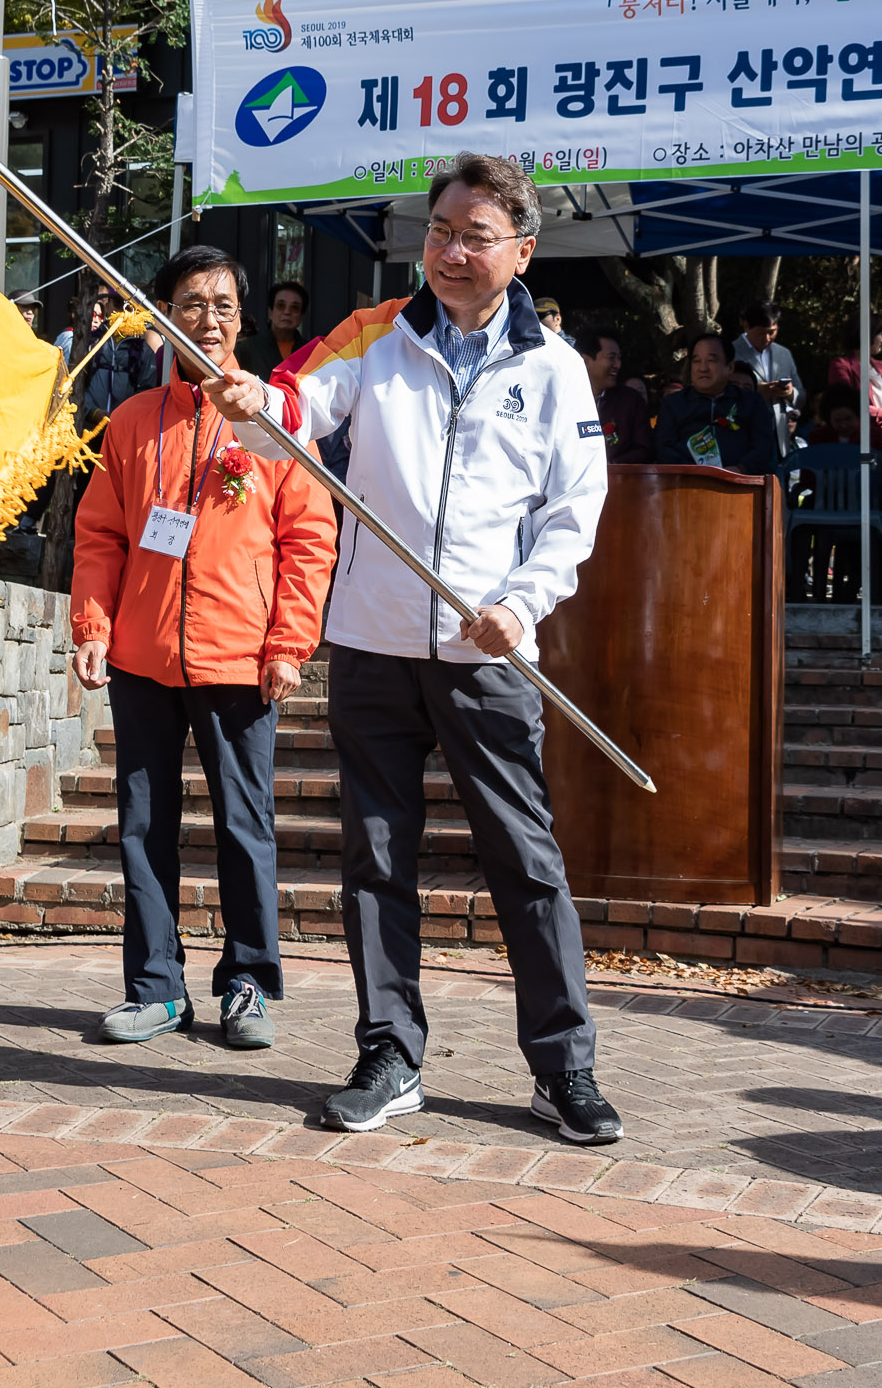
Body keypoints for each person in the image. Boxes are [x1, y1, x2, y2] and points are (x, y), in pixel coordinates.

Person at [205, 152, 622, 1145]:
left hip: (488, 655)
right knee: (376, 858)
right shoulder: (379, 336)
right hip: (375, 643)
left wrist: (520, 605)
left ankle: (563, 1065)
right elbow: (303, 411)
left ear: (522, 251)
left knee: (525, 861)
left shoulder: (553, 368)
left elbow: (575, 511)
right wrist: (261, 404)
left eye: (476, 236)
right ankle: (389, 1051)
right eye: (441, 231)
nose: (451, 251)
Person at [72, 245, 337, 1050]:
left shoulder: (272, 419)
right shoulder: (129, 423)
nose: (209, 320)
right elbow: (100, 535)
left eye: (223, 304)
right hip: (142, 657)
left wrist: (290, 641)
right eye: (191, 303)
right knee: (142, 827)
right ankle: (154, 988)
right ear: (163, 316)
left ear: (242, 318)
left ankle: (248, 982)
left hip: (240, 656)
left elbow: (310, 536)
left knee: (244, 826)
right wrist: (92, 627)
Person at [655, 333, 775, 473]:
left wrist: (740, 469)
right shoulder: (674, 403)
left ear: (730, 367)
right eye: (696, 361)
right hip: (686, 483)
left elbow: (763, 447)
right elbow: (664, 449)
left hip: (740, 484)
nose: (702, 368)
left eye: (711, 360)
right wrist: (694, 472)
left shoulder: (751, 402)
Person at [733, 301, 804, 453]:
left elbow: (801, 395)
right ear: (746, 326)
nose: (766, 338)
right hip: (744, 433)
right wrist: (756, 392)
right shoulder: (731, 352)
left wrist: (790, 393)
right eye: (760, 333)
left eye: (771, 332)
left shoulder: (783, 354)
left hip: (779, 436)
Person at [576, 329, 652, 463]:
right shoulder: (565, 400)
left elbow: (644, 450)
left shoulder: (631, 402)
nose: (617, 365)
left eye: (619, 358)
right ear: (585, 361)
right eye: (611, 357)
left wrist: (612, 466)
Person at [826, 338, 882, 450]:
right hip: (857, 440)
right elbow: (845, 402)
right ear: (868, 335)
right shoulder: (841, 365)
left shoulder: (880, 366)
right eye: (879, 334)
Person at [243, 280, 311, 375]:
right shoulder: (248, 348)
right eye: (281, 306)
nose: (287, 312)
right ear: (270, 312)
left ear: (301, 316)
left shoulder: (311, 351)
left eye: (294, 307)